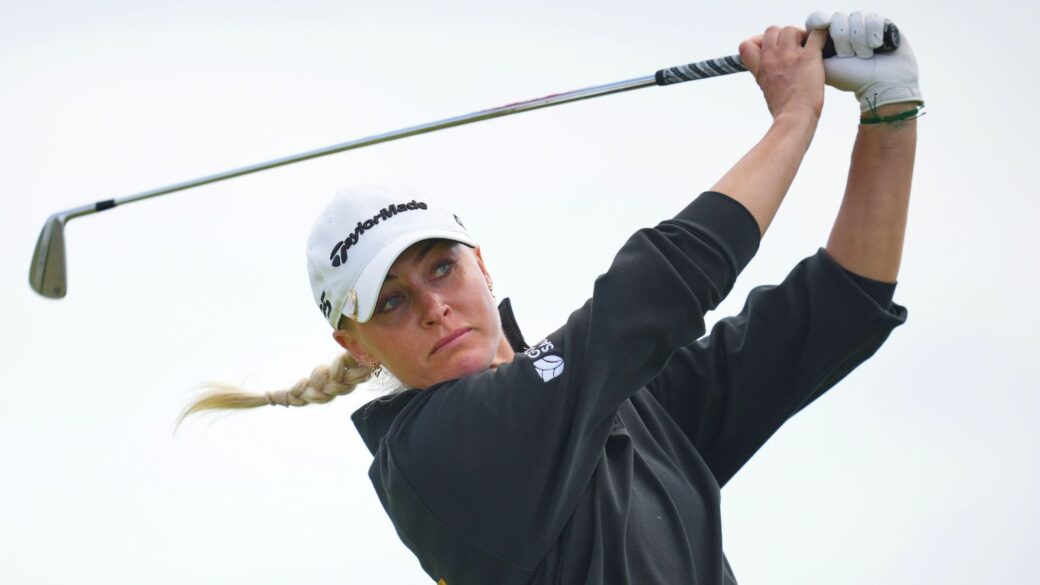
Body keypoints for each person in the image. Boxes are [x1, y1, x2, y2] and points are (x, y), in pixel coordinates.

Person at [180, 10, 922, 584]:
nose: (434, 305)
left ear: (481, 263)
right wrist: (795, 118)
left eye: (440, 269)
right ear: (355, 343)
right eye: (393, 302)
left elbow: (835, 309)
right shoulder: (440, 453)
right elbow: (650, 293)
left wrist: (890, 113)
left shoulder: (611, 407)